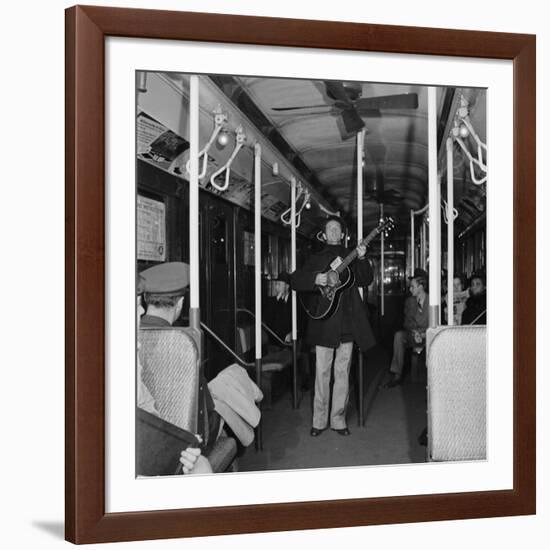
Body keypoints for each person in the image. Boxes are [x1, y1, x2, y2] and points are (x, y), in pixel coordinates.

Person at [291, 216, 375, 436]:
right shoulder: (316, 258)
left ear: (342, 233)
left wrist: (364, 258)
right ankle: (319, 421)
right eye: (330, 229)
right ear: (324, 234)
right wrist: (315, 279)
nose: (334, 232)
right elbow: (296, 280)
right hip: (324, 324)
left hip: (347, 324)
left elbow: (366, 280)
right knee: (322, 373)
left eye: (338, 228)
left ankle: (338, 420)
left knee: (342, 374)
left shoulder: (352, 256)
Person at [139, 262, 221, 454]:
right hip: (184, 441)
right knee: (229, 389)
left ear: (144, 298)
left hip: (145, 435)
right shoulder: (183, 346)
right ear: (181, 304)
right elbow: (205, 410)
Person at [384, 268, 429, 388]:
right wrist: (415, 332)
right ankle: (397, 375)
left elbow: (434, 323)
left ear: (421, 287)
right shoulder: (410, 301)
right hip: (413, 334)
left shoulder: (432, 301)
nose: (410, 289)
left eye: (412, 286)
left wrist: (423, 334)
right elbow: (407, 322)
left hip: (428, 334)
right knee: (399, 336)